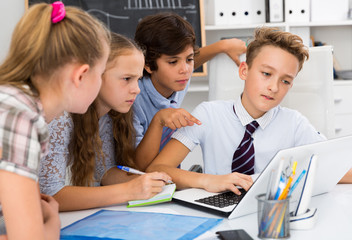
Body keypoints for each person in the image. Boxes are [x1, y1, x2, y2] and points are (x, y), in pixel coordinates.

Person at [146, 27, 331, 195]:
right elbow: (157, 168)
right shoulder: (208, 114)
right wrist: (208, 180)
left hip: (267, 208)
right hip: (217, 209)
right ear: (244, 71)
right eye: (266, 74)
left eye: (285, 81)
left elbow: (340, 167)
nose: (274, 87)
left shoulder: (294, 123)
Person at [0, 2, 110, 239]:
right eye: (100, 74)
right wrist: (52, 224)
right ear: (80, 75)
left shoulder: (14, 102)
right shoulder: (19, 115)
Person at [39, 33, 174, 212]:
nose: (137, 90)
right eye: (127, 79)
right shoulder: (59, 117)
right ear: (95, 74)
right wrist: (128, 191)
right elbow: (50, 195)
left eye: (138, 79)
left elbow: (103, 171)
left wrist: (144, 182)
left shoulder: (107, 116)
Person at [133, 12, 247, 170]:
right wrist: (158, 121)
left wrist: (222, 46)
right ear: (148, 65)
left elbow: (191, 58)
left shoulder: (176, 79)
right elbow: (139, 166)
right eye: (173, 62)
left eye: (189, 59)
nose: (185, 70)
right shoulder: (133, 98)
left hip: (169, 179)